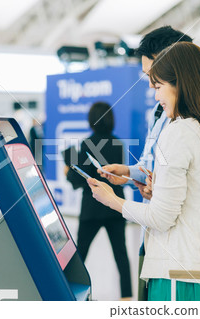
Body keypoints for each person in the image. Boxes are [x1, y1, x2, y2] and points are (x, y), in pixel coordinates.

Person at [100, 26, 200, 300]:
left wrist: (112, 200)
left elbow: (163, 216)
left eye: (156, 83)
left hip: (180, 272)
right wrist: (156, 186)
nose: (153, 92)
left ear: (178, 75)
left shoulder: (181, 129)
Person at [65, 102, 132, 300]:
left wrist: (68, 171)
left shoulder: (86, 144)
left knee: (80, 253)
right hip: (115, 205)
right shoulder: (119, 143)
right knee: (121, 254)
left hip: (92, 207)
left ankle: (68, 291)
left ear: (91, 120)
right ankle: (127, 297)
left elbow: (79, 179)